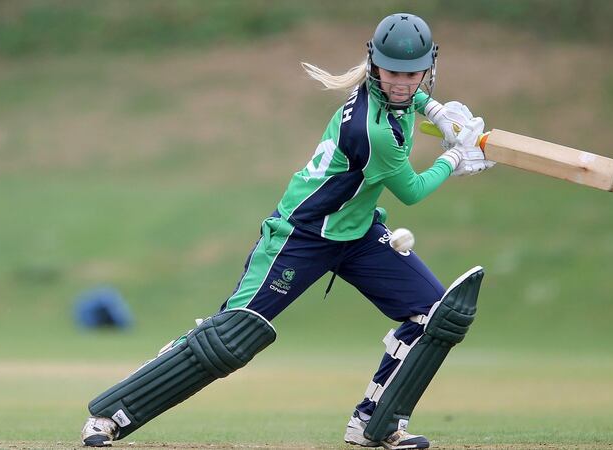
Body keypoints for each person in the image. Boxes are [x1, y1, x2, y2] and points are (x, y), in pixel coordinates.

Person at [80, 12, 492, 449]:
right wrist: (454, 159)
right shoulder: (371, 129)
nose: (403, 83)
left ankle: (376, 423)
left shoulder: (394, 98)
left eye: (414, 74)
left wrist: (439, 112)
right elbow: (411, 191)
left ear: (428, 68)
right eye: (393, 72)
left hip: (357, 234)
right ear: (374, 65)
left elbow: (411, 102)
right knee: (231, 337)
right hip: (303, 235)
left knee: (434, 313)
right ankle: (109, 418)